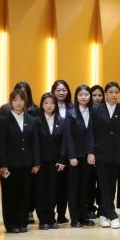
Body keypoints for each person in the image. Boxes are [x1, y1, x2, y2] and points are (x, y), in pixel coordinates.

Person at [90, 81, 120, 228]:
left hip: (117, 153)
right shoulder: (95, 110)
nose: (114, 95)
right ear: (106, 94)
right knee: (103, 184)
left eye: (116, 92)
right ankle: (112, 214)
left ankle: (103, 214)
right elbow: (91, 132)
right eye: (111, 92)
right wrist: (91, 151)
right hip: (100, 152)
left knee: (112, 184)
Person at [31, 92, 67, 231]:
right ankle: (43, 219)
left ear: (56, 105)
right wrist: (36, 162)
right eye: (46, 103)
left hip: (56, 163)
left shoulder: (62, 121)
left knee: (53, 191)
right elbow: (34, 143)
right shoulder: (36, 121)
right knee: (41, 191)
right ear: (42, 105)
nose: (49, 105)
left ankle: (51, 218)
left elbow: (64, 142)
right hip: (40, 163)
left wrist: (62, 159)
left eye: (52, 103)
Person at [62, 85, 95, 228]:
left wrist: (91, 152)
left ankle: (84, 216)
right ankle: (75, 218)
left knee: (85, 187)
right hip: (75, 156)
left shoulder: (94, 111)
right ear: (76, 97)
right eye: (80, 94)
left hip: (88, 156)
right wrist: (72, 156)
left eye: (86, 94)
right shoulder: (71, 113)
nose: (83, 97)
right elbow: (68, 137)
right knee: (73, 188)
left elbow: (93, 135)